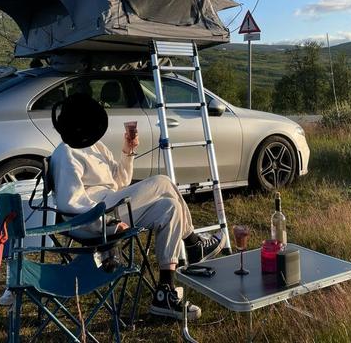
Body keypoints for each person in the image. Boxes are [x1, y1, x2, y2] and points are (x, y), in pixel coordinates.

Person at [50, 92, 225, 321]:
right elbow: (70, 203)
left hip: (113, 206)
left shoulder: (95, 146)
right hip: (90, 221)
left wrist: (128, 152)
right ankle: (192, 243)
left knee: (169, 207)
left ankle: (165, 293)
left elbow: (120, 181)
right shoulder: (65, 153)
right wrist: (108, 223)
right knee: (163, 181)